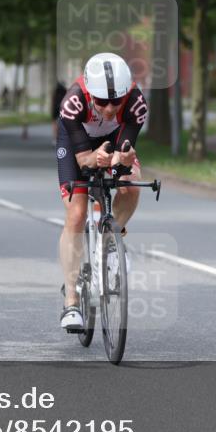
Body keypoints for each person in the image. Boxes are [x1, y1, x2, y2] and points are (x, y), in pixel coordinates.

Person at [56, 52, 147, 330]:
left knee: (131, 183)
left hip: (113, 138)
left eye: (115, 101)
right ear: (90, 94)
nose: (109, 108)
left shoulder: (136, 104)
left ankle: (111, 239)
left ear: (126, 94)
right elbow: (83, 160)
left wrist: (123, 160)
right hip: (77, 142)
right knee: (77, 213)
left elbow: (125, 151)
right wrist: (92, 158)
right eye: (102, 101)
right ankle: (71, 301)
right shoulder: (73, 103)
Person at [50, 80, 67, 146]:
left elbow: (52, 101)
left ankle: (55, 139)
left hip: (55, 109)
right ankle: (62, 139)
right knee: (63, 124)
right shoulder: (65, 91)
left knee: (54, 124)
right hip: (62, 108)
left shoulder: (55, 92)